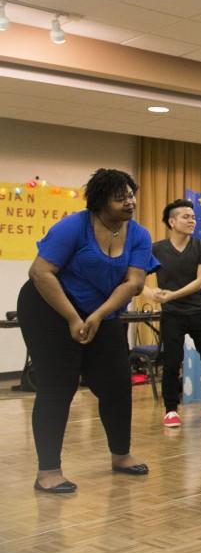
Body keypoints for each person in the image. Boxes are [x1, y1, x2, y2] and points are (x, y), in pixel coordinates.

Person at [17, 168, 157, 493]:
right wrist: (72, 317)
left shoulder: (138, 234)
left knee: (117, 383)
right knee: (58, 386)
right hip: (48, 307)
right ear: (99, 202)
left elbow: (134, 282)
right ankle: (48, 471)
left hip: (101, 311)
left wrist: (97, 315)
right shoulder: (73, 227)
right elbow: (40, 271)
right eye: (120, 196)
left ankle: (121, 455)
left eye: (131, 194)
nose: (130, 201)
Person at [149, 199, 201, 428]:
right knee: (171, 363)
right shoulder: (157, 248)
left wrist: (171, 295)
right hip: (172, 315)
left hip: (199, 312)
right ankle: (171, 410)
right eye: (185, 217)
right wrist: (149, 292)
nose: (192, 220)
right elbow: (136, 277)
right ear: (172, 222)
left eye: (193, 217)